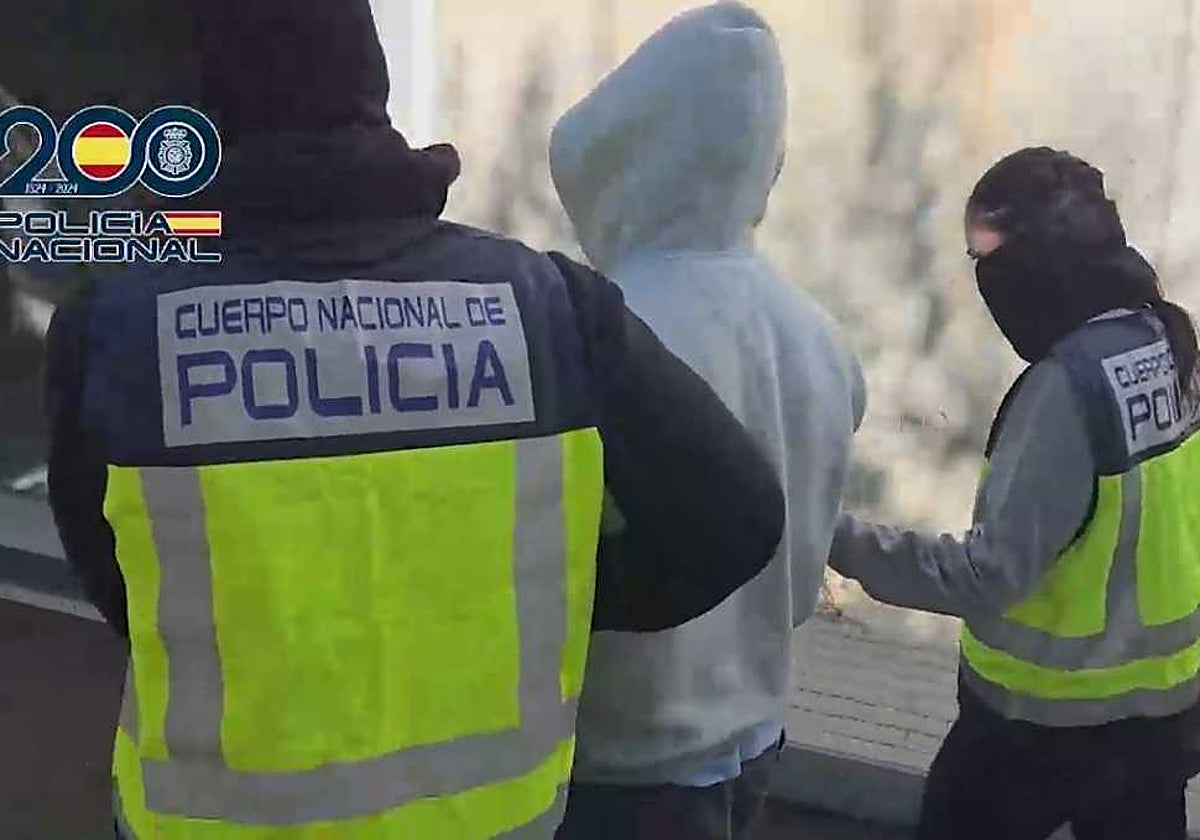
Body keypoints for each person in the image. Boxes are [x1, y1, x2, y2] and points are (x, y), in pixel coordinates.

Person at [44, 3, 787, 837]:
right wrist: (540, 596)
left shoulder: (115, 325)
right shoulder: (549, 306)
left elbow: (123, 584)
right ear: (373, 88)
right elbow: (737, 518)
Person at [547, 4, 866, 838]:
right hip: (754, 734)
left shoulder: (605, 334)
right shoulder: (819, 336)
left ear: (625, 160)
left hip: (619, 761)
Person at [830, 147, 1200, 840]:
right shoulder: (1163, 341)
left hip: (1041, 727)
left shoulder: (1066, 389)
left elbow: (987, 574)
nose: (986, 283)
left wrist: (836, 537)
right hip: (1159, 724)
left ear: (1042, 265)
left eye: (989, 261)